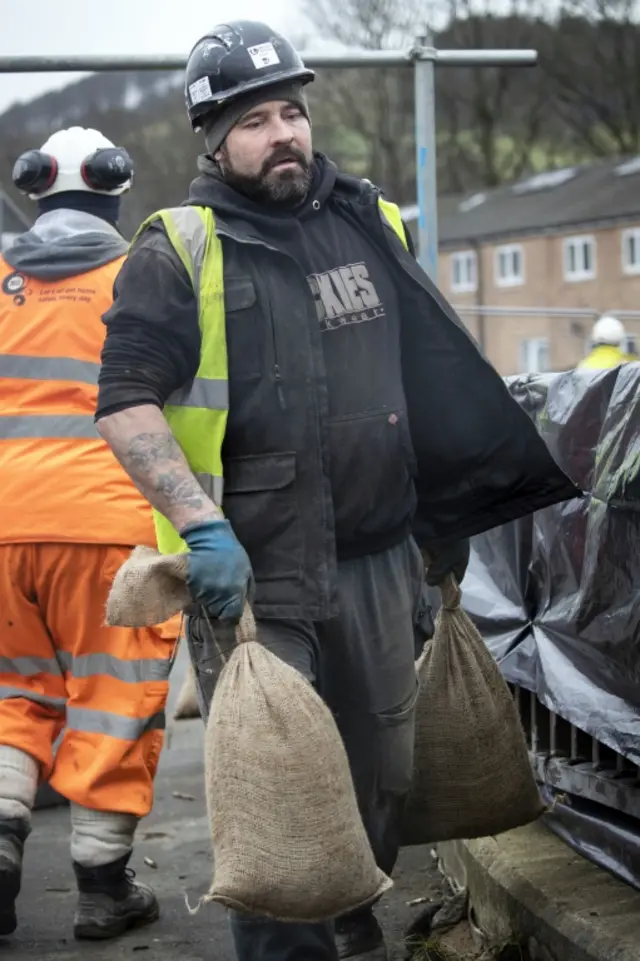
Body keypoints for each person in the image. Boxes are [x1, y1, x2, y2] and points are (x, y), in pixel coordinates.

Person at [95, 21, 579, 961]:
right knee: (282, 809)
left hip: (377, 563)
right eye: (253, 120)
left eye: (292, 112)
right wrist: (200, 529)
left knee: (377, 784)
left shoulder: (374, 223)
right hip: (252, 582)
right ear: (212, 137)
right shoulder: (181, 249)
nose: (282, 133)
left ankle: (355, 925)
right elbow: (123, 406)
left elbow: (429, 380)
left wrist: (447, 514)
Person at [0, 126, 181, 941]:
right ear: (115, 193)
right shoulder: (136, 277)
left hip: (4, 530)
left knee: (14, 697)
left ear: (35, 191)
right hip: (109, 530)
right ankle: (104, 887)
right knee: (112, 701)